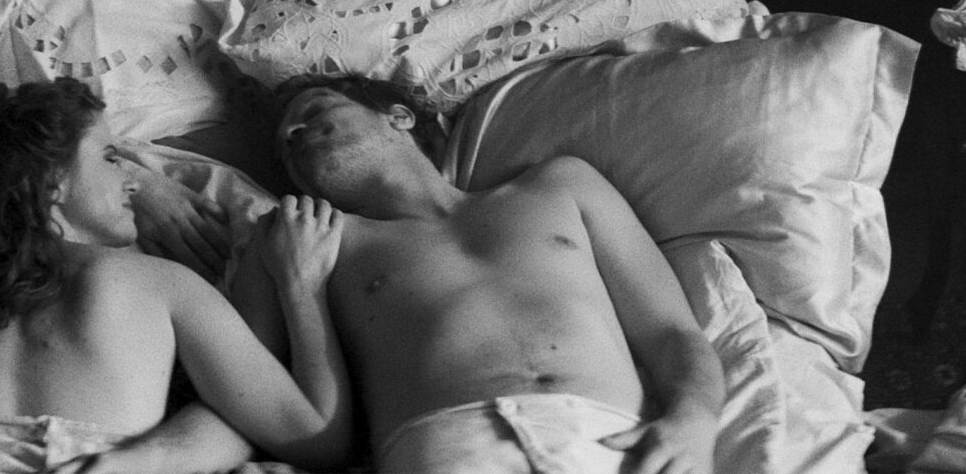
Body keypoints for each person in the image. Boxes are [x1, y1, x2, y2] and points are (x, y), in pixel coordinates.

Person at [0, 78, 350, 474]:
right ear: (50, 181)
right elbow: (319, 438)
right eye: (111, 158)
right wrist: (304, 288)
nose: (134, 179)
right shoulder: (156, 282)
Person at [265, 74, 727, 474]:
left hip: (616, 446)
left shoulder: (561, 185)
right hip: (450, 448)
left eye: (314, 110)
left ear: (399, 117)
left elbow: (670, 330)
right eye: (285, 144)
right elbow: (302, 416)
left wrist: (695, 417)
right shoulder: (309, 239)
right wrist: (301, 289)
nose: (293, 132)